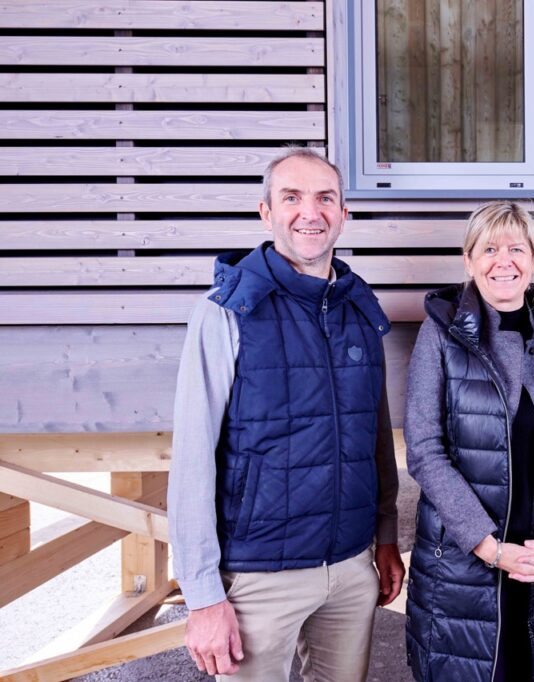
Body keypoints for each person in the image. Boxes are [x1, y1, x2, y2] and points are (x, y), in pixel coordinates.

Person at [168, 147, 405, 681]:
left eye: (325, 198)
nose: (310, 212)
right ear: (265, 212)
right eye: (291, 197)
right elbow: (191, 463)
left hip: (348, 568)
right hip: (258, 578)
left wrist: (385, 535)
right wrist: (203, 596)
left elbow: (374, 438)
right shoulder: (224, 313)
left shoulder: (359, 308)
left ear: (344, 213)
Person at [403, 201, 534, 681]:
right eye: (489, 248)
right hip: (463, 571)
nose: (503, 260)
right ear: (469, 261)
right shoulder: (441, 332)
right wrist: (490, 548)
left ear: (533, 259)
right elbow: (425, 449)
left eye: (516, 247)